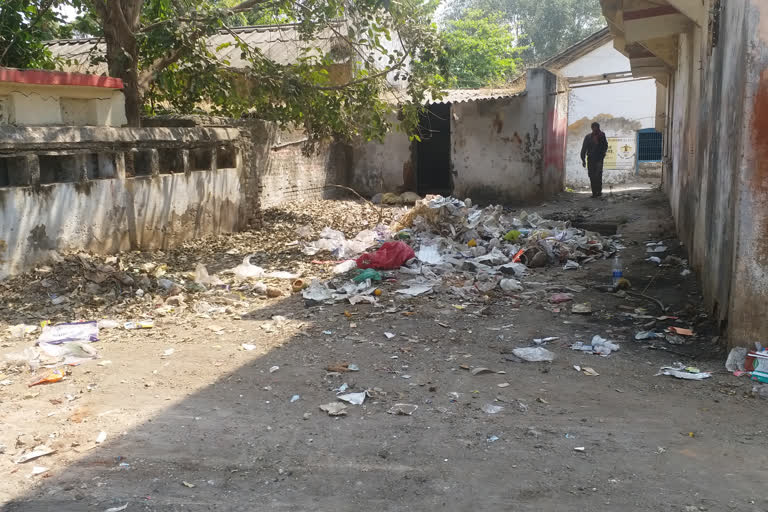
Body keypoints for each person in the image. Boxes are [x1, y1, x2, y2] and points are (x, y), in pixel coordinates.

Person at [580, 122, 609, 197]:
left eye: (596, 127)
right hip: (591, 159)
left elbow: (605, 146)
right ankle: (594, 193)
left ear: (598, 127)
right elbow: (584, 149)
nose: (595, 129)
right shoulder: (588, 137)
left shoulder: (602, 135)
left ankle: (598, 192)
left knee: (598, 175)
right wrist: (583, 160)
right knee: (592, 176)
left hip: (599, 159)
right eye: (594, 127)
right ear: (591, 128)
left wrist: (603, 154)